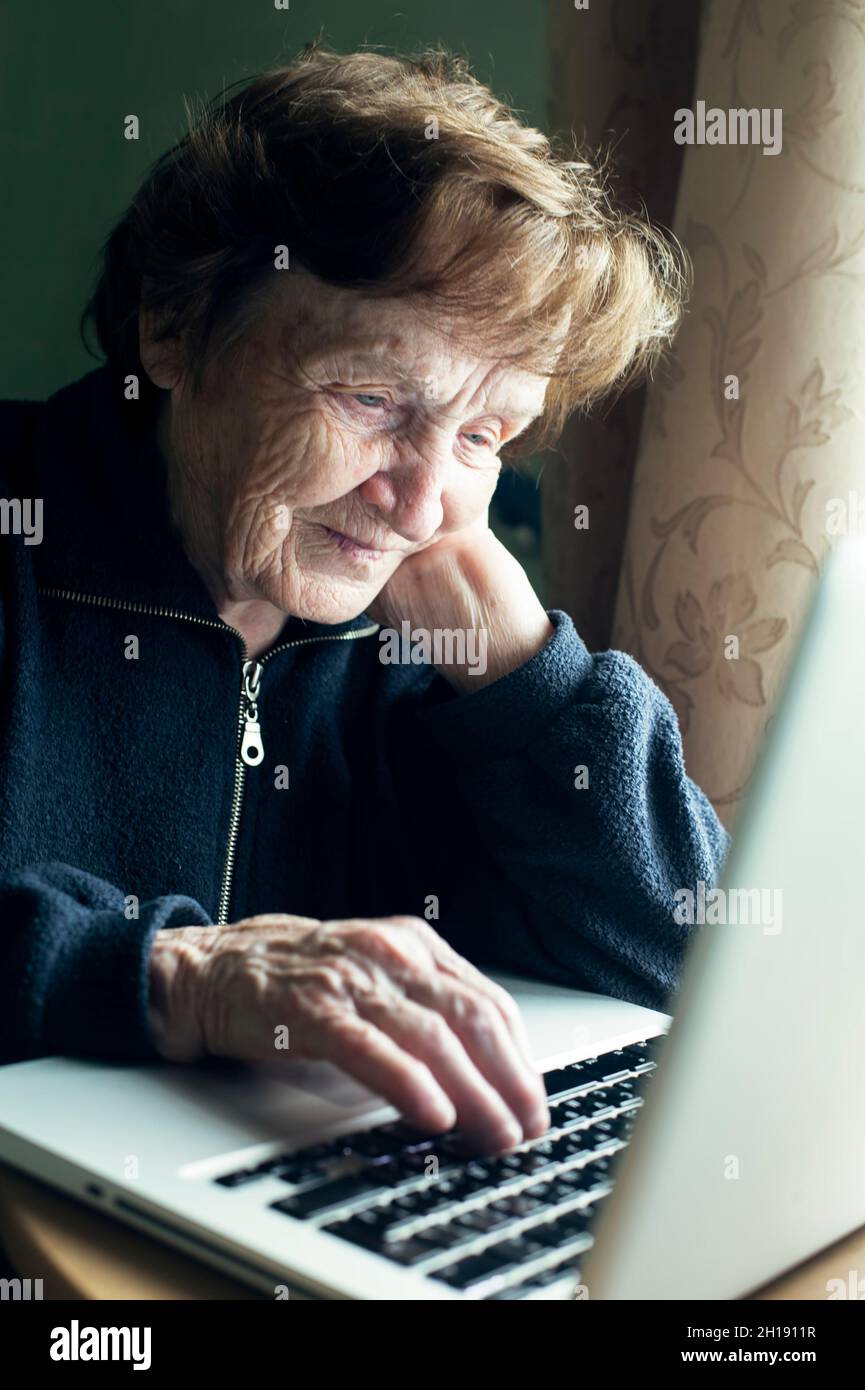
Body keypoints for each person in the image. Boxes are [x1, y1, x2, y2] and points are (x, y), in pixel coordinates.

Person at [0, 46, 729, 1153]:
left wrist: (529, 677)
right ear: (176, 326)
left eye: (485, 435)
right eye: (373, 396)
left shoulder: (432, 649)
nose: (423, 501)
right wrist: (172, 976)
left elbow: (693, 968)